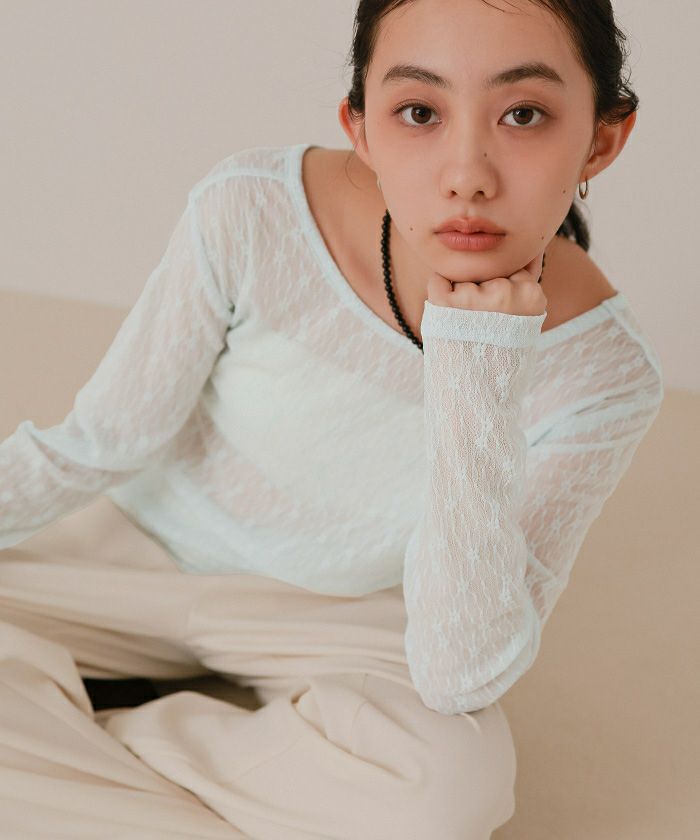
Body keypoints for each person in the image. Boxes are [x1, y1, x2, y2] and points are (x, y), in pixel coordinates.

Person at [0, 1, 664, 837]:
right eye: (418, 113)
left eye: (523, 114)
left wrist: (478, 364)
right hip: (123, 553)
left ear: (601, 139)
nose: (467, 174)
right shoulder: (251, 209)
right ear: (362, 128)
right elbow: (99, 444)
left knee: (447, 793)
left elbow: (461, 672)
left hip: (343, 620)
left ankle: (83, 740)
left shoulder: (607, 375)